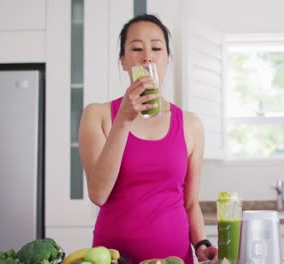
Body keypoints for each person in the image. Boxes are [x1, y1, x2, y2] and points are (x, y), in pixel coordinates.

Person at [78, 13, 218, 264]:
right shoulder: (97, 115)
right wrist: (124, 119)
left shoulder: (190, 124)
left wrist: (201, 243)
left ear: (167, 58)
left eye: (156, 48)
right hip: (112, 258)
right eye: (136, 48)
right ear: (123, 61)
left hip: (175, 258)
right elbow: (98, 194)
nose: (147, 56)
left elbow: (190, 203)